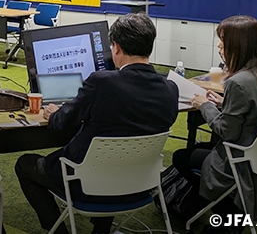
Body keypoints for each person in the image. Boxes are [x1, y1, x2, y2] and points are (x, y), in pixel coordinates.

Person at [15, 13, 179, 234]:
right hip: (139, 185)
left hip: (86, 185)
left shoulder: (102, 82)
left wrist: (53, 113)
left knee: (25, 164)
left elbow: (62, 122)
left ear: (116, 47)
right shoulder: (170, 89)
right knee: (114, 154)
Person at [172, 15, 257, 233]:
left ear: (239, 45)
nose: (219, 45)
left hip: (240, 159)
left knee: (181, 157)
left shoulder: (238, 83)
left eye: (223, 40)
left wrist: (205, 106)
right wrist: (224, 103)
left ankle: (228, 210)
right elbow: (256, 110)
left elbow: (226, 131)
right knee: (201, 150)